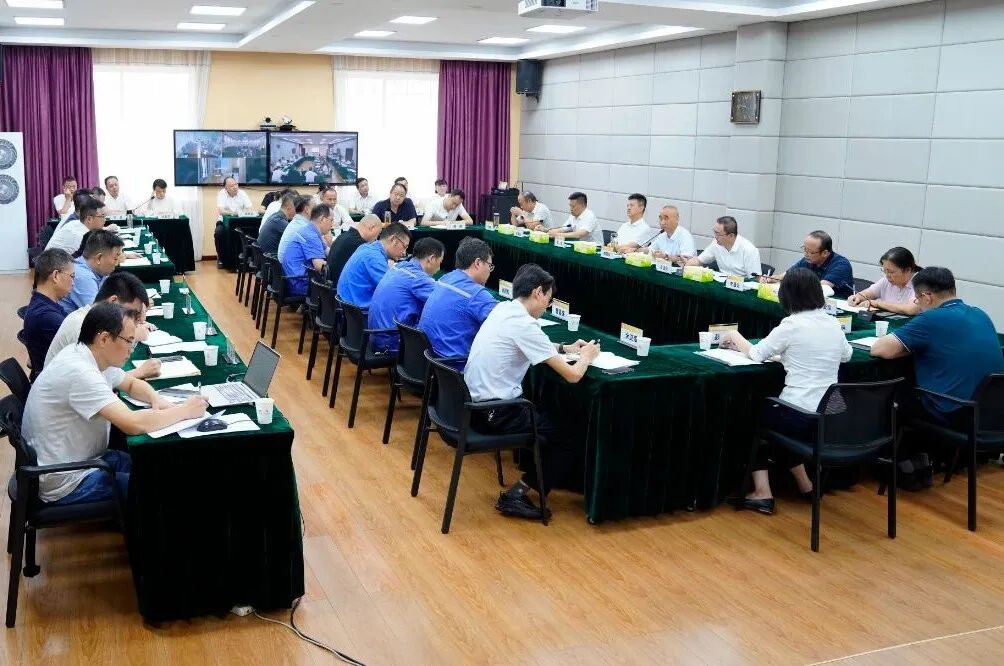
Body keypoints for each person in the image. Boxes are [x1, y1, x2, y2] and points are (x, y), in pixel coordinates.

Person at [22, 302, 208, 506]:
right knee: (156, 490)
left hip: (84, 459)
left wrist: (157, 399)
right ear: (104, 338)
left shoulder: (88, 353)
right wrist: (185, 411)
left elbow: (130, 383)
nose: (131, 348)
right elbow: (133, 424)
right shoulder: (80, 373)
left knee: (155, 466)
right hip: (66, 481)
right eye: (129, 341)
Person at [465, 263, 601, 520]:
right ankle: (518, 493)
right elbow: (573, 376)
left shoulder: (504, 308)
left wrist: (565, 348)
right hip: (497, 412)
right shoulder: (525, 324)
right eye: (548, 300)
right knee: (570, 434)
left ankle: (534, 478)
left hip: (474, 405)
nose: (546, 307)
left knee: (551, 414)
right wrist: (586, 356)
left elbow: (530, 343)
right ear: (538, 292)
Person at [718, 268, 853, 514]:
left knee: (753, 417)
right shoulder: (832, 322)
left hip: (799, 413)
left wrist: (734, 335)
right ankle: (806, 485)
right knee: (783, 426)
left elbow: (757, 354)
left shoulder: (791, 325)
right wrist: (790, 356)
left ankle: (762, 492)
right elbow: (846, 355)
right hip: (831, 413)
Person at [871, 267, 1004, 430]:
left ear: (927, 297)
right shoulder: (980, 314)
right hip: (992, 412)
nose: (917, 303)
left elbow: (880, 349)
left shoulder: (931, 318)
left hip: (956, 411)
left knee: (896, 392)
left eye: (917, 299)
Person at [46, 272, 160, 380]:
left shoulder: (98, 320)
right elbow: (97, 382)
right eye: (132, 314)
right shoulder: (82, 326)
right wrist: (140, 372)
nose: (133, 321)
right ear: (114, 301)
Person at [418, 237, 498, 358]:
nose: (489, 271)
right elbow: (504, 324)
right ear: (478, 263)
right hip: (452, 364)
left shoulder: (445, 278)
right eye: (489, 265)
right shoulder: (476, 294)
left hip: (426, 358)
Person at [367, 237, 445, 354]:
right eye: (440, 261)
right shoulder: (417, 278)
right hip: (392, 343)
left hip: (377, 336)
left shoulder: (399, 267)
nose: (440, 267)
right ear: (431, 259)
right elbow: (445, 301)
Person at [21, 248, 74, 380]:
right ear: (55, 276)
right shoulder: (47, 316)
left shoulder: (44, 303)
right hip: (54, 382)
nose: (73, 283)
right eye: (72, 276)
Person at [336, 222, 411, 307]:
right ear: (393, 240)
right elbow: (393, 291)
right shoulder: (374, 258)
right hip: (360, 310)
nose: (404, 253)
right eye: (404, 246)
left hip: (349, 305)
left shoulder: (366, 247)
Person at [767, 231, 854, 298]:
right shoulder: (808, 260)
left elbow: (819, 288)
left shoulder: (841, 265)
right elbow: (786, 275)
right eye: (804, 249)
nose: (805, 254)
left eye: (810, 252)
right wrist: (772, 279)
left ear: (825, 253)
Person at [58, 229, 124, 315]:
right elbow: (100, 314)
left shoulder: (97, 270)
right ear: (99, 258)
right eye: (115, 258)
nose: (117, 263)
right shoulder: (83, 276)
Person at [279, 203, 332, 298]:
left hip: (295, 279)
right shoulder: (310, 235)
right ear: (323, 219)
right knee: (337, 288)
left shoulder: (309, 229)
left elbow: (328, 251)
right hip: (301, 283)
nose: (332, 224)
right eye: (331, 220)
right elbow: (320, 266)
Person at [847, 247, 920, 316]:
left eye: (891, 272)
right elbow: (868, 293)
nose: (887, 275)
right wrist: (857, 297)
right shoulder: (886, 280)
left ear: (908, 270)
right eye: (885, 271)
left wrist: (877, 303)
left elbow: (910, 309)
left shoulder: (921, 282)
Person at [685, 216, 762, 278]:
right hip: (722, 284)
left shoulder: (749, 250)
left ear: (731, 235)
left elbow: (755, 279)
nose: (715, 237)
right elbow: (699, 260)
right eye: (714, 232)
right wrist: (686, 264)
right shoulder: (716, 243)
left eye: (718, 234)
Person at [327, 214, 382, 286]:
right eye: (378, 233)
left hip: (332, 285)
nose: (376, 238)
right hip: (342, 288)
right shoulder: (360, 245)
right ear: (372, 227)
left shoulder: (343, 236)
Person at [214, 176, 256, 267]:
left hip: (239, 222)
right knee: (219, 233)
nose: (235, 187)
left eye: (236, 184)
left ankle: (244, 258)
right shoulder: (222, 193)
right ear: (226, 188)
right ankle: (221, 258)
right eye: (232, 186)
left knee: (250, 231)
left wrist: (238, 212)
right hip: (223, 222)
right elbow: (221, 211)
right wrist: (235, 212)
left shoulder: (242, 193)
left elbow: (250, 208)